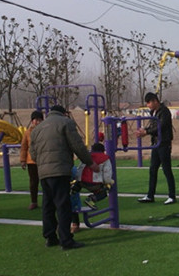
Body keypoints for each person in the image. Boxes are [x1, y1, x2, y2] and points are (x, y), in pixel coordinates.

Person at [29, 104, 99, 250]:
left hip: (44, 172)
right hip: (60, 170)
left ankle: (50, 237)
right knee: (63, 205)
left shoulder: (37, 129)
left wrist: (43, 163)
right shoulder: (66, 123)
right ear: (63, 113)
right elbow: (77, 146)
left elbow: (33, 154)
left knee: (48, 205)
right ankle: (66, 240)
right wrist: (90, 163)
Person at [135, 92, 176, 205]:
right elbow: (153, 126)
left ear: (155, 101)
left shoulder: (164, 111)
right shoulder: (153, 112)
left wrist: (146, 132)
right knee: (153, 169)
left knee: (166, 169)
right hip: (156, 144)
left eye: (149, 102)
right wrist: (145, 130)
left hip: (164, 143)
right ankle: (150, 195)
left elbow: (161, 126)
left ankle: (172, 196)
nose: (148, 105)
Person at [73, 142, 114, 211]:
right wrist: (108, 182)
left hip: (81, 181)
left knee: (78, 185)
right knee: (103, 193)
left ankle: (73, 190)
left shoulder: (87, 156)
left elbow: (80, 168)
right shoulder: (105, 158)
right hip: (94, 184)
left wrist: (77, 179)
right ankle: (91, 199)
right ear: (103, 151)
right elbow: (107, 173)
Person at [20, 110, 44, 210]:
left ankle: (49, 201)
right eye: (35, 120)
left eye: (39, 120)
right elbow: (24, 147)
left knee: (46, 182)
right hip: (32, 162)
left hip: (44, 160)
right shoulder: (27, 133)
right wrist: (23, 160)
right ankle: (34, 201)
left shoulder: (45, 131)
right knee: (33, 182)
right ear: (32, 121)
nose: (37, 122)